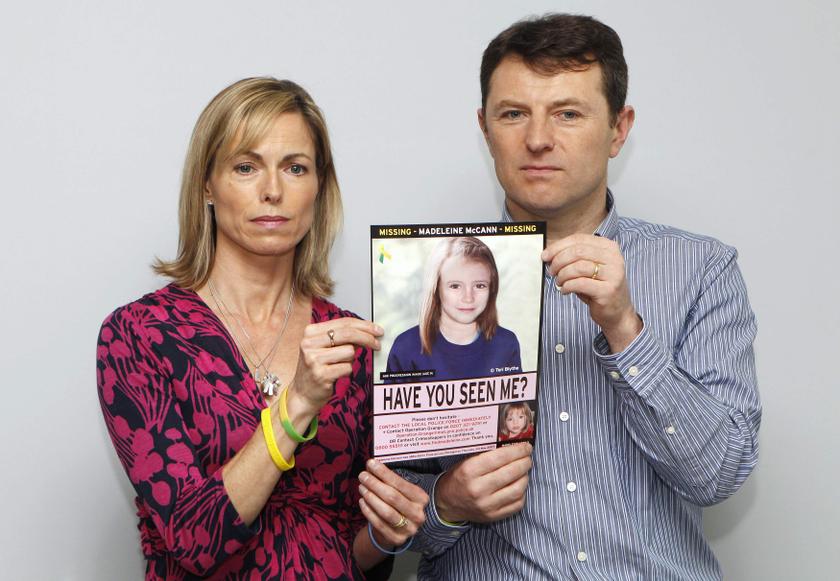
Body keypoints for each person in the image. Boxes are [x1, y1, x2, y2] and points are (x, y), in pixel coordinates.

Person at [398, 14, 761, 580]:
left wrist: (625, 329)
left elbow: (719, 474)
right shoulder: (423, 280)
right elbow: (379, 523)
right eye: (513, 113)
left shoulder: (702, 271)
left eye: (568, 113)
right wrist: (445, 505)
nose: (538, 138)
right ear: (485, 127)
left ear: (619, 129)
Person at [96, 77, 428, 580]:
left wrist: (388, 532)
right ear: (207, 184)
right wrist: (297, 405)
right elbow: (194, 539)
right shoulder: (139, 336)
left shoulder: (356, 343)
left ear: (319, 188)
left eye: (295, 168)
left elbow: (348, 549)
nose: (273, 191)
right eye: (246, 167)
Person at [385, 236, 521, 382]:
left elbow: (515, 402)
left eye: (479, 285)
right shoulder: (406, 347)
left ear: (492, 288)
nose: (468, 298)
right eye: (455, 286)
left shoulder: (506, 343)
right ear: (436, 289)